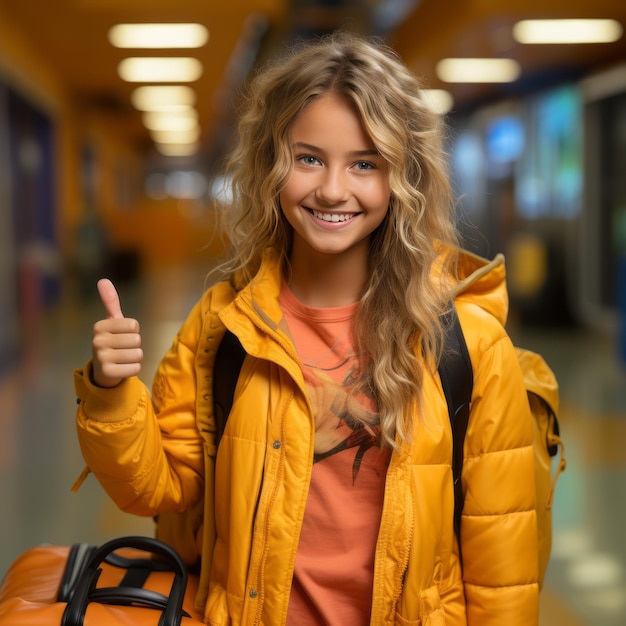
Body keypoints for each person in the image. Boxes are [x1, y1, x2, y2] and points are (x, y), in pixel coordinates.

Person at [73, 32, 539, 625]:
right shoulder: (225, 326)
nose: (333, 189)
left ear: (404, 179)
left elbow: (504, 564)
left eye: (364, 164)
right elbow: (156, 488)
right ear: (272, 163)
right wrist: (112, 394)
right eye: (309, 158)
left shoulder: (467, 345)